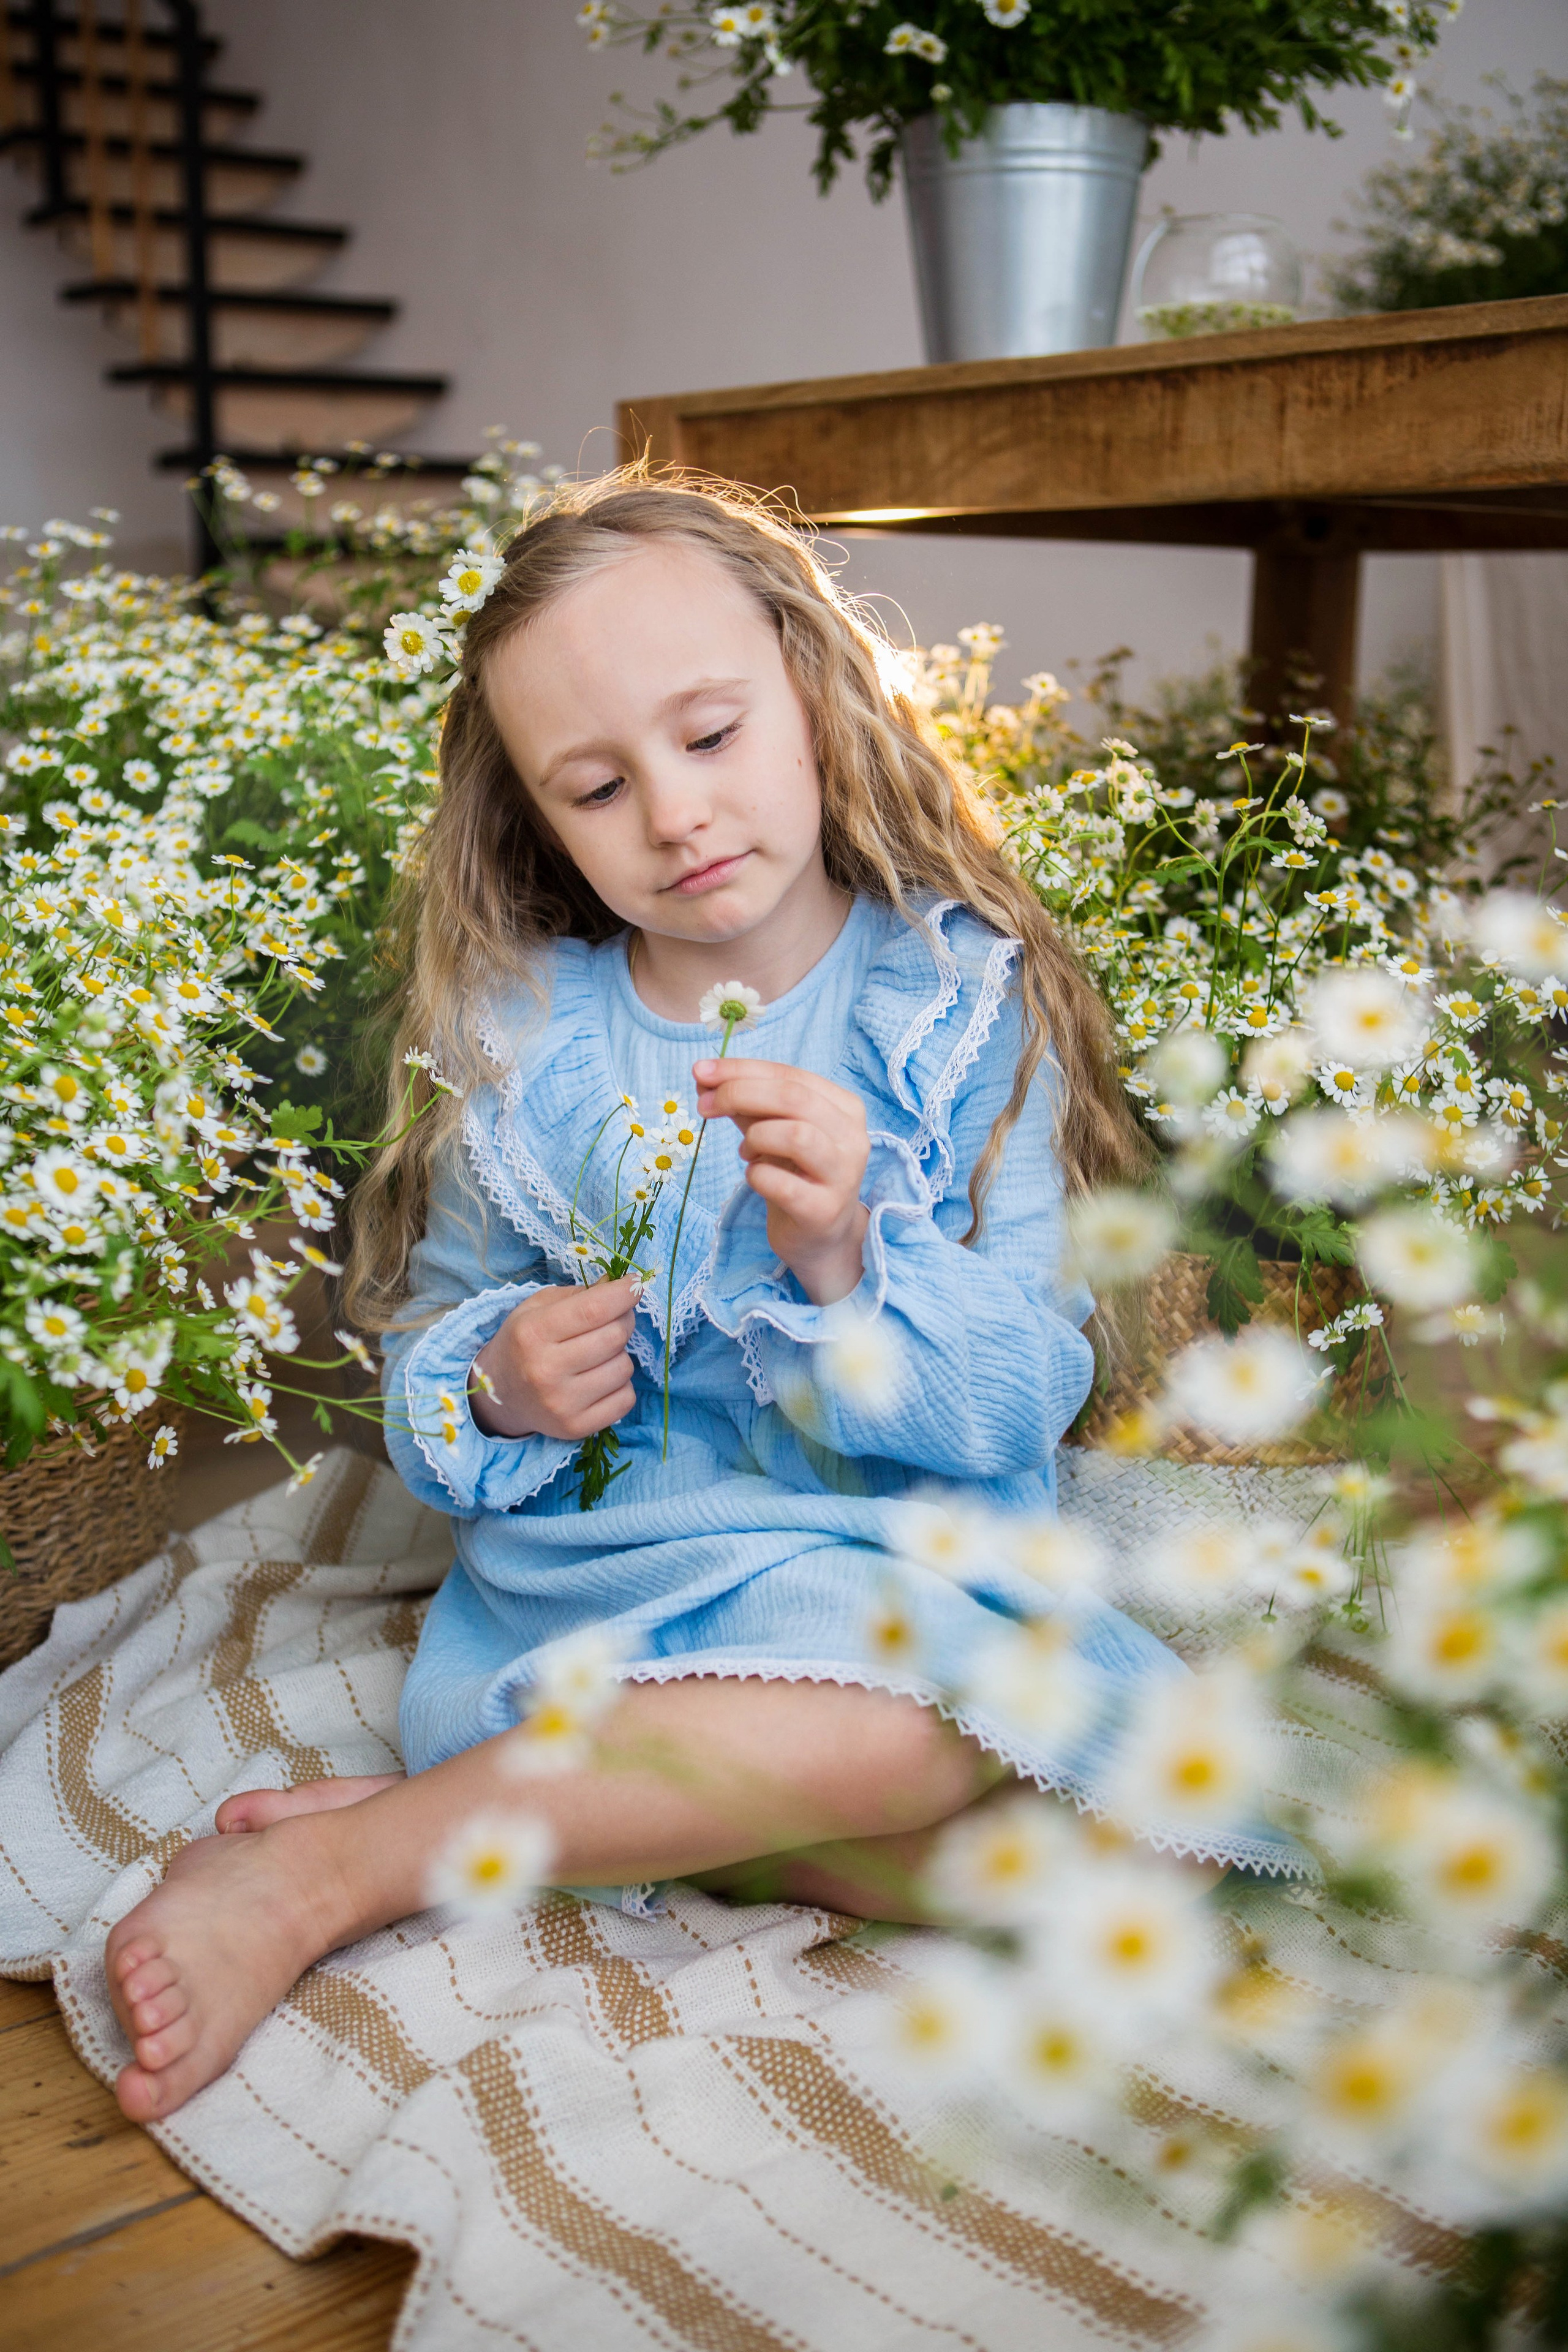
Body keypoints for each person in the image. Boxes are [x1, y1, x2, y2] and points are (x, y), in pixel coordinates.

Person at [103, 474, 1300, 2125]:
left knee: (1150, 1855)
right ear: (539, 822)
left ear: (814, 693)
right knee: (911, 1744)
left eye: (713, 734)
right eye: (599, 787)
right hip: (620, 1580)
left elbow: (1025, 1390)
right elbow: (429, 1350)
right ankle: (347, 1871)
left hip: (898, 1557)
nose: (675, 814)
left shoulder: (953, 997)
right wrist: (499, 1381)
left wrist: (851, 1257)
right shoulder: (530, 1040)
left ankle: (593, 1825)